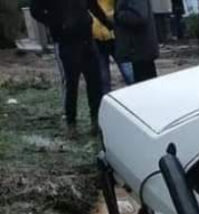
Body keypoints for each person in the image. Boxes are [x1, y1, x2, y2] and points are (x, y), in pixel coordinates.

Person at [30, 0, 112, 136]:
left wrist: (108, 24)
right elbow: (35, 10)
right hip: (66, 41)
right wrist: (56, 23)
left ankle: (96, 121)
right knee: (71, 84)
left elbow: (92, 5)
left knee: (94, 82)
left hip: (87, 38)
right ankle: (71, 123)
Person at [92, 0, 134, 92]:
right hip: (97, 36)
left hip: (115, 34)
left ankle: (137, 94)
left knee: (128, 72)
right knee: (103, 78)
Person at [114, 0, 159, 83]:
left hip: (138, 49)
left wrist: (117, 15)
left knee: (143, 84)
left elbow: (139, 17)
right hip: (136, 49)